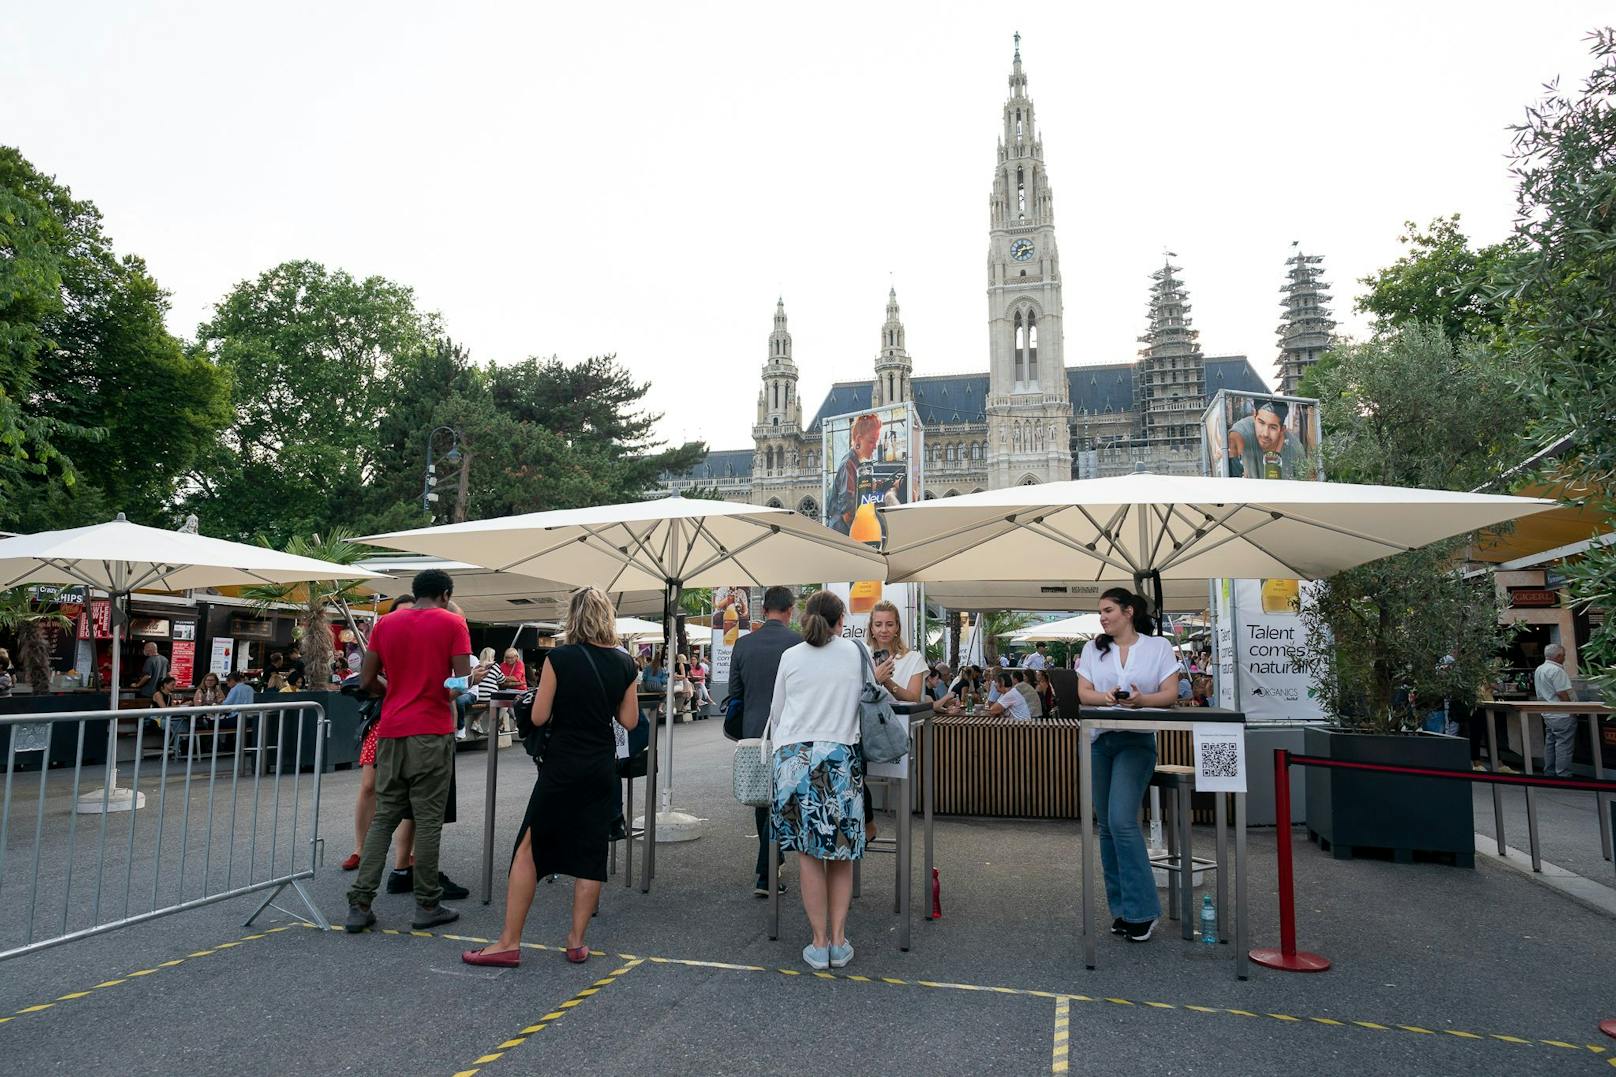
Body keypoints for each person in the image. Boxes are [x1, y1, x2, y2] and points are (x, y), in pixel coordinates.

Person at [462, 587, 639, 968]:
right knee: (592, 850)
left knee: (529, 846)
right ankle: (576, 941)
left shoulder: (560, 658)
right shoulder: (626, 665)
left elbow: (539, 717)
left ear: (573, 617)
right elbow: (629, 720)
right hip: (601, 765)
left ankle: (509, 941)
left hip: (562, 765)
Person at [345, 570, 472, 934]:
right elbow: (458, 685)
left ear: (415, 593)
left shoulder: (385, 623)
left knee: (384, 817)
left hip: (392, 730)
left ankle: (360, 902)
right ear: (445, 594)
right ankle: (427, 904)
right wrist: (445, 687)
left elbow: (366, 681)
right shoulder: (453, 624)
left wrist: (396, 689)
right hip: (431, 731)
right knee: (428, 820)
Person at [768, 589, 866, 970]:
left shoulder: (790, 656)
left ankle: (818, 942)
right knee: (841, 855)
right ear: (841, 619)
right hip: (840, 757)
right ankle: (839, 943)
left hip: (794, 759)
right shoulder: (856, 654)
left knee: (808, 856)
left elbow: (777, 712)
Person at [1076, 587, 1181, 943]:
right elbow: (1083, 693)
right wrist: (1106, 698)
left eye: (1108, 610)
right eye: (1100, 612)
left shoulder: (1158, 647)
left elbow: (1170, 694)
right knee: (1106, 826)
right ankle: (1121, 910)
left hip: (1137, 739)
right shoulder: (1092, 649)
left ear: (1129, 611)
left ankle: (1144, 911)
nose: (1102, 617)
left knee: (1121, 821)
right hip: (1101, 739)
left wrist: (1141, 701)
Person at [725, 584, 802, 896]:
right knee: (785, 798)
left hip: (754, 731)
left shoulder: (743, 645)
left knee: (763, 799)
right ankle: (766, 871)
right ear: (790, 610)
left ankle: (770, 864)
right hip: (792, 730)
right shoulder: (799, 643)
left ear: (763, 609)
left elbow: (735, 693)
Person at [1226, 398, 1307, 480]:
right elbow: (1234, 440)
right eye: (1261, 423)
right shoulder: (1243, 429)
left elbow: (1306, 481)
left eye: (1273, 427)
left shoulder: (1295, 448)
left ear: (1282, 429)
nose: (1265, 434)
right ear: (1254, 417)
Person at [1534, 643, 1576, 778]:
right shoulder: (1557, 670)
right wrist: (1572, 709)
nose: (1564, 658)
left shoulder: (1540, 669)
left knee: (1551, 743)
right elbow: (1562, 693)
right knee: (1563, 744)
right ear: (1558, 656)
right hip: (1562, 714)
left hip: (1547, 712)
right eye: (1563, 655)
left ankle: (1549, 772)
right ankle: (1563, 774)